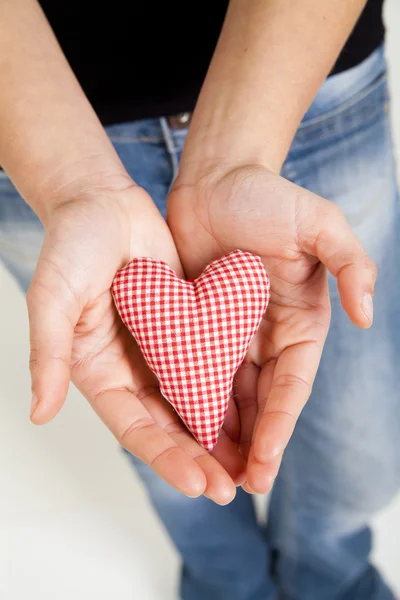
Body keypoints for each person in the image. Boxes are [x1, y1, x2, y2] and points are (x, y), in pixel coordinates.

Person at [0, 0, 398, 598]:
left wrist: (235, 158)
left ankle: (332, 581)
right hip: (35, 142)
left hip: (304, 82)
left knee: (358, 452)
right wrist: (75, 188)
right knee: (173, 464)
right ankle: (227, 584)